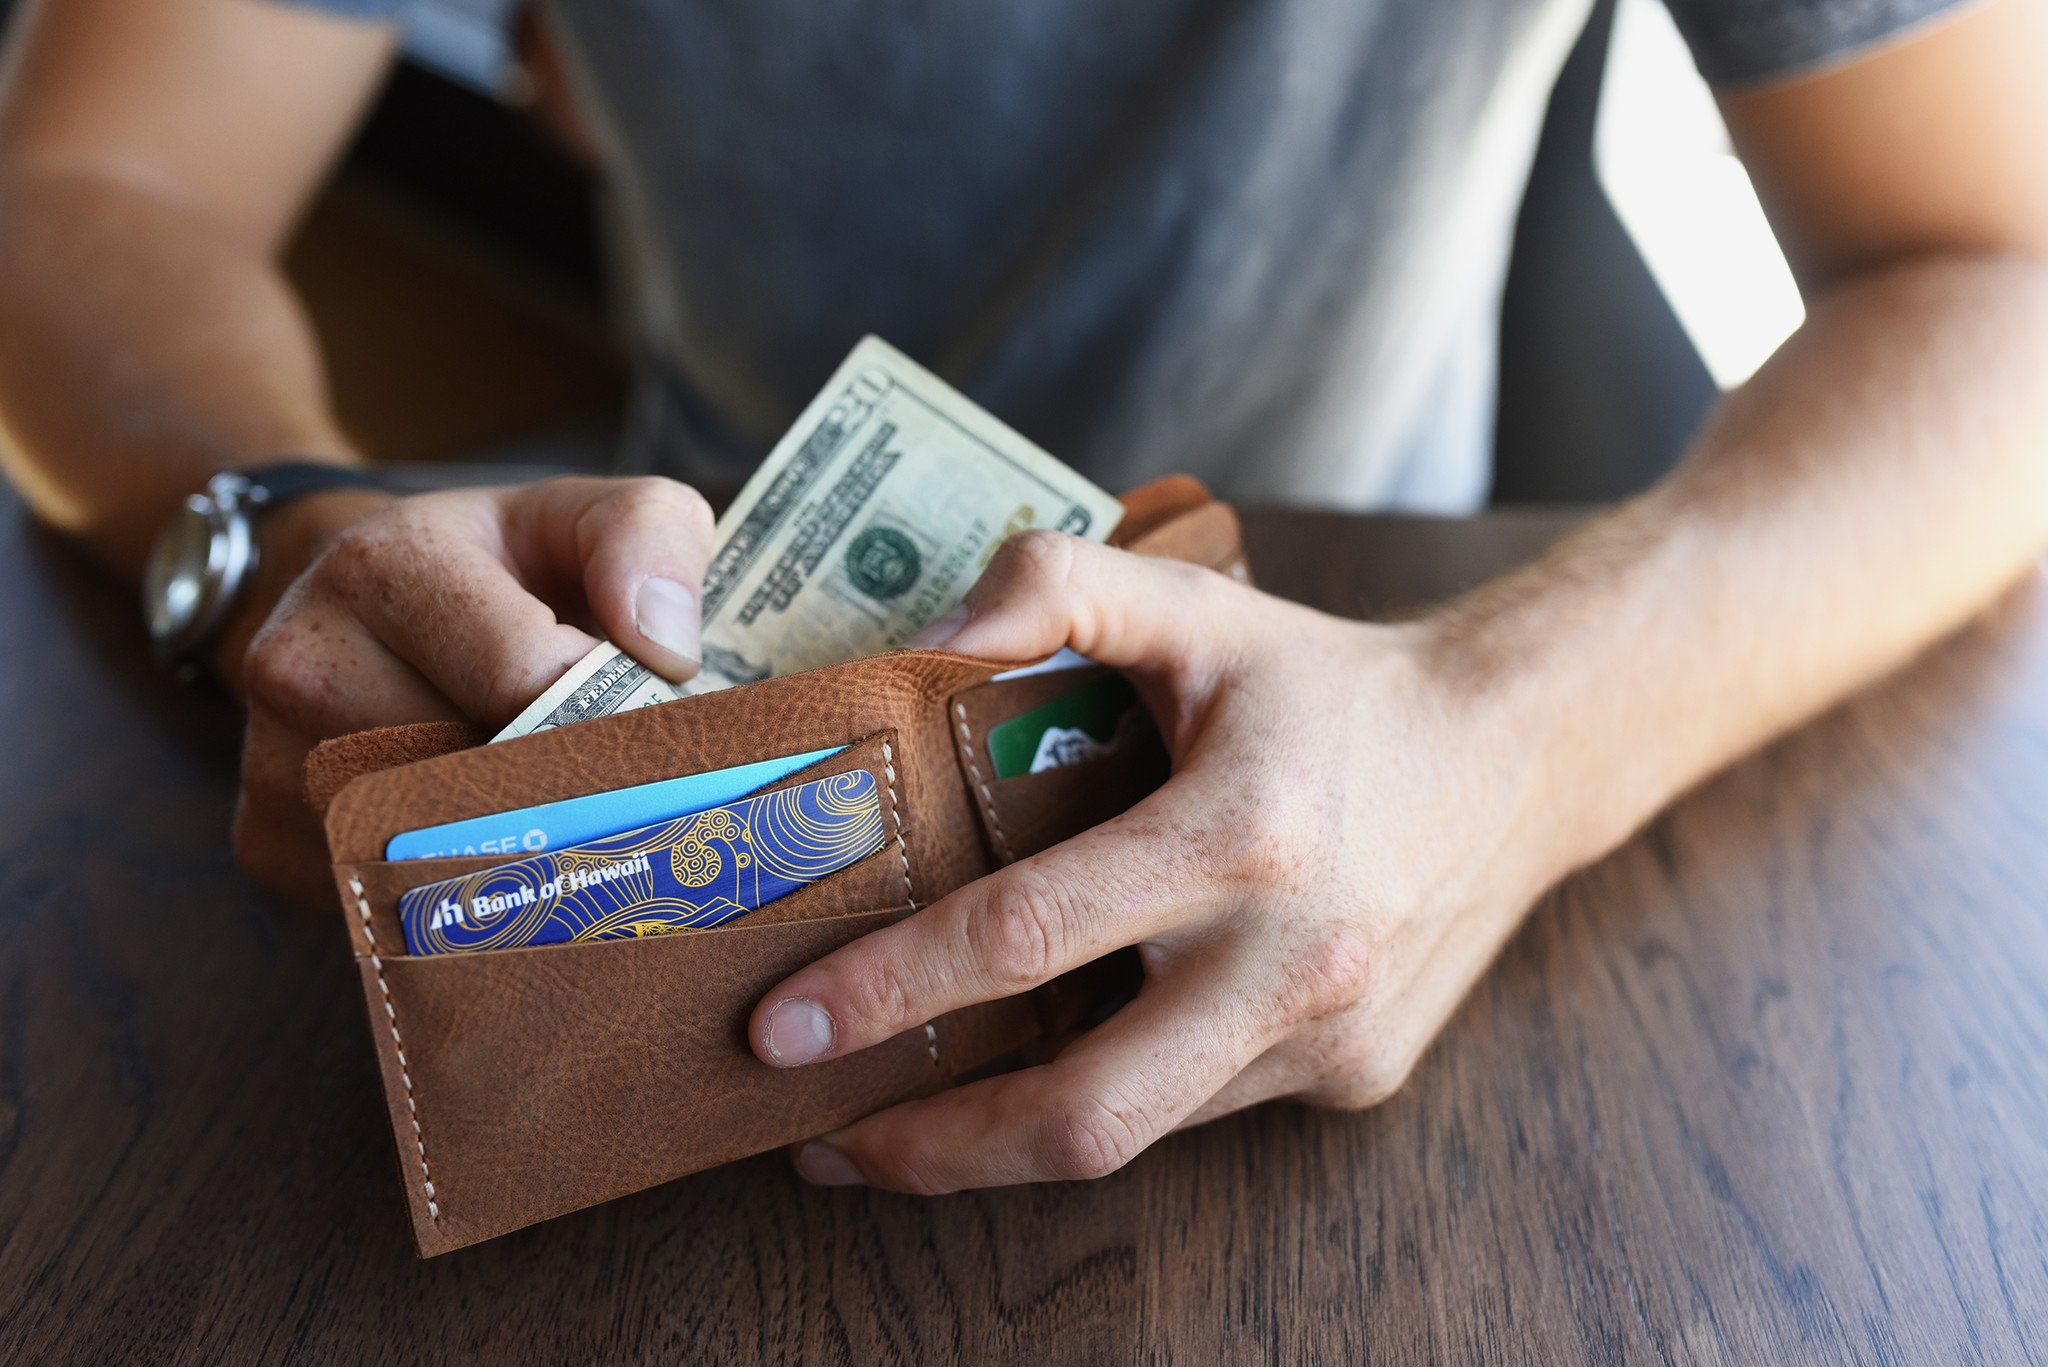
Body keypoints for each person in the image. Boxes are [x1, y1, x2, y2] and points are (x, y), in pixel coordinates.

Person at [0, 0, 2043, 1197]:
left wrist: (1505, 739)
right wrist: (280, 537)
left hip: (1368, 691)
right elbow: (96, 194)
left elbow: (2001, 274)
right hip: (650, 642)